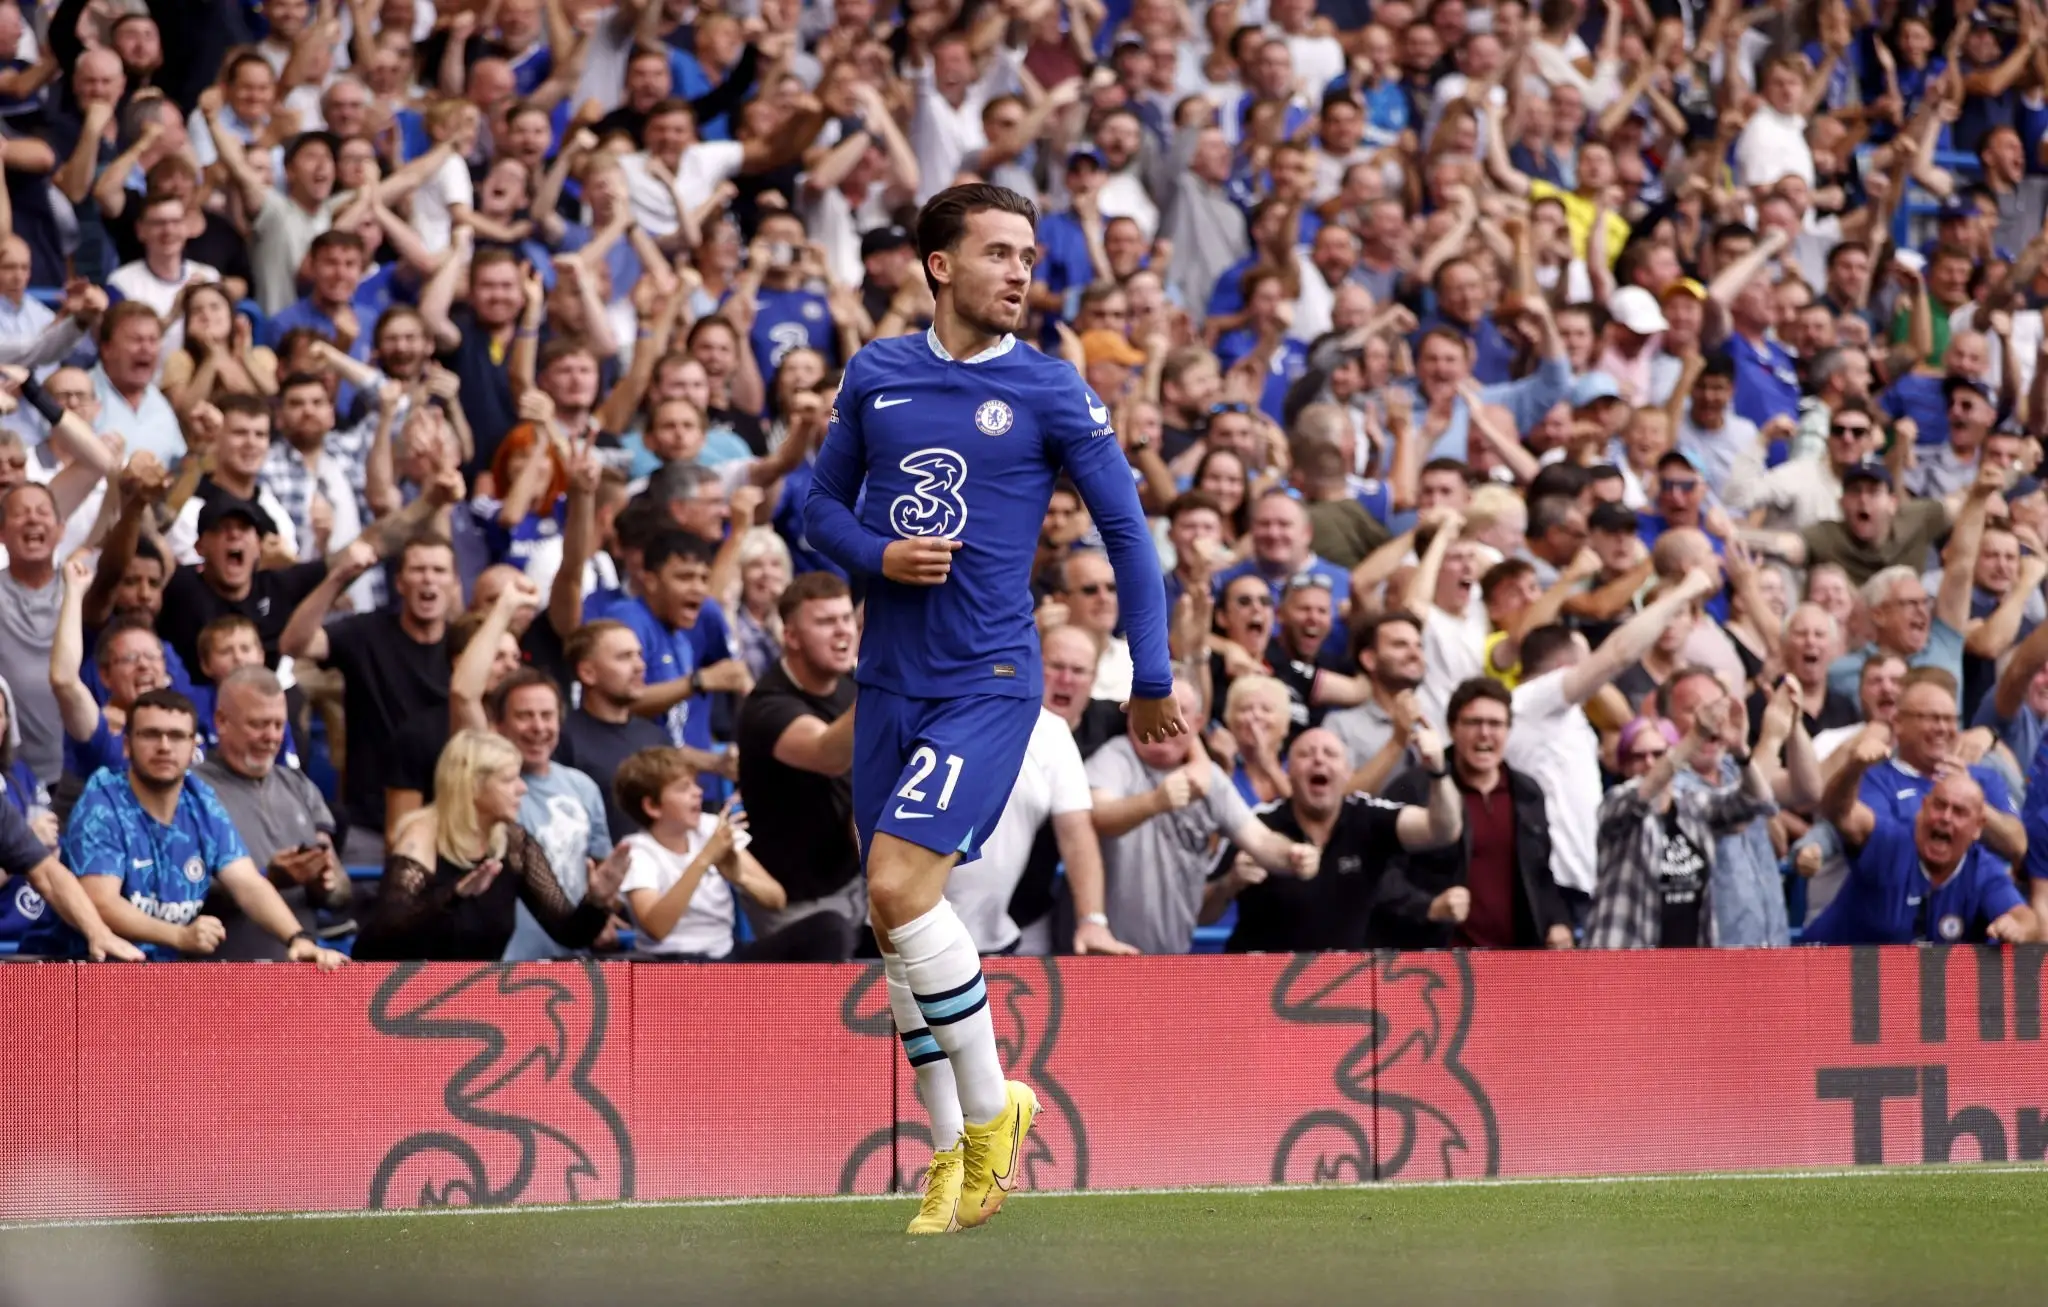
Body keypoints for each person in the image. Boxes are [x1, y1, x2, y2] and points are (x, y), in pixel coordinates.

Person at [801, 183, 1184, 1235]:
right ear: (938, 264)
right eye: (998, 253)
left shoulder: (1052, 389)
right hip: (887, 679)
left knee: (893, 883)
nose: (1021, 270)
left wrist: (1146, 674)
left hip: (989, 679)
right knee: (892, 925)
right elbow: (813, 506)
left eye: (1026, 253)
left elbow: (1130, 537)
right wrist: (876, 553)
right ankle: (947, 1156)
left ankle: (994, 1109)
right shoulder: (875, 373)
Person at [19, 689, 344, 967]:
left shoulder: (200, 800)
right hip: (71, 976)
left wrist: (297, 937)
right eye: (150, 734)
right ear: (127, 745)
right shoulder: (103, 799)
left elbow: (248, 883)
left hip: (163, 979)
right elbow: (100, 902)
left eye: (176, 736)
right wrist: (179, 935)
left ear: (193, 748)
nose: (164, 746)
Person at [352, 729, 627, 961]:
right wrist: (455, 895)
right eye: (509, 780)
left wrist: (597, 901)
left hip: (483, 992)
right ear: (471, 785)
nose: (523, 788)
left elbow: (567, 931)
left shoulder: (512, 841)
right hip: (410, 994)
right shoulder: (422, 834)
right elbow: (386, 935)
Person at [1201, 721, 1462, 951]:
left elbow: (1443, 830)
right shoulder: (1258, 823)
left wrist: (1438, 772)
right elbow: (1201, 914)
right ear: (1288, 771)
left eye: (1330, 754)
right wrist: (1229, 883)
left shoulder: (1368, 816)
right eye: (1306, 754)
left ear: (1348, 771)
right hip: (1261, 983)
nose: (1319, 760)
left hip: (1341, 985)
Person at [1375, 678, 1572, 950]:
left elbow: (1539, 875)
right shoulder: (1414, 788)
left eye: (1495, 724)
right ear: (1452, 728)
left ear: (1508, 731)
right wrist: (1429, 907)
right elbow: (1379, 874)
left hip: (1515, 965)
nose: (1484, 733)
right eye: (1473, 722)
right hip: (1437, 965)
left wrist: (1557, 921)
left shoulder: (1527, 791)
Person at [1807, 723, 2040, 945]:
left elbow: (2025, 918)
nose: (1946, 817)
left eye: (1959, 812)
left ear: (1977, 828)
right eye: (1939, 806)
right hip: (1826, 973)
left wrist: (2016, 926)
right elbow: (1839, 814)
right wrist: (1853, 769)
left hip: (1903, 982)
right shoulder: (1889, 841)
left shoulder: (1981, 870)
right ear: (1923, 808)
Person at [613, 747, 850, 961]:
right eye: (683, 788)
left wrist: (740, 877)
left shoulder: (711, 828)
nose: (698, 793)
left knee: (829, 927)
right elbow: (657, 927)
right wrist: (705, 859)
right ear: (652, 807)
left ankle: (818, 1009)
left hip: (726, 958)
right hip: (670, 966)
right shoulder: (637, 850)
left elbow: (777, 898)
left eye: (696, 784)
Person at [732, 572, 862, 954]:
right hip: (793, 904)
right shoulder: (766, 705)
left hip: (854, 883)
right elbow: (828, 754)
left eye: (846, 620)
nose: (842, 633)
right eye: (825, 622)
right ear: (790, 636)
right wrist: (882, 680)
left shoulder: (851, 685)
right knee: (811, 1011)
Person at [191, 666, 353, 959]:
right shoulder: (191, 789)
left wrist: (325, 882)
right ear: (221, 721)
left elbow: (341, 891)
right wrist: (270, 878)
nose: (271, 737)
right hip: (221, 974)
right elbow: (180, 896)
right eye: (258, 724)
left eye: (279, 725)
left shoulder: (299, 785)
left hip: (299, 970)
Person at [1587, 708, 1779, 949]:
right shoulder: (1615, 802)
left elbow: (1757, 801)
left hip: (1687, 963)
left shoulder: (1693, 804)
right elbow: (1643, 794)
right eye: (1638, 756)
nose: (1649, 763)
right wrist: (1695, 736)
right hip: (1625, 961)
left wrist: (1741, 753)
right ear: (1625, 765)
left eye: (1658, 754)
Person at [555, 620, 675, 843]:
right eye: (624, 657)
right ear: (588, 673)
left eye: (639, 655)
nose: (640, 665)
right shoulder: (562, 738)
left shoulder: (655, 736)